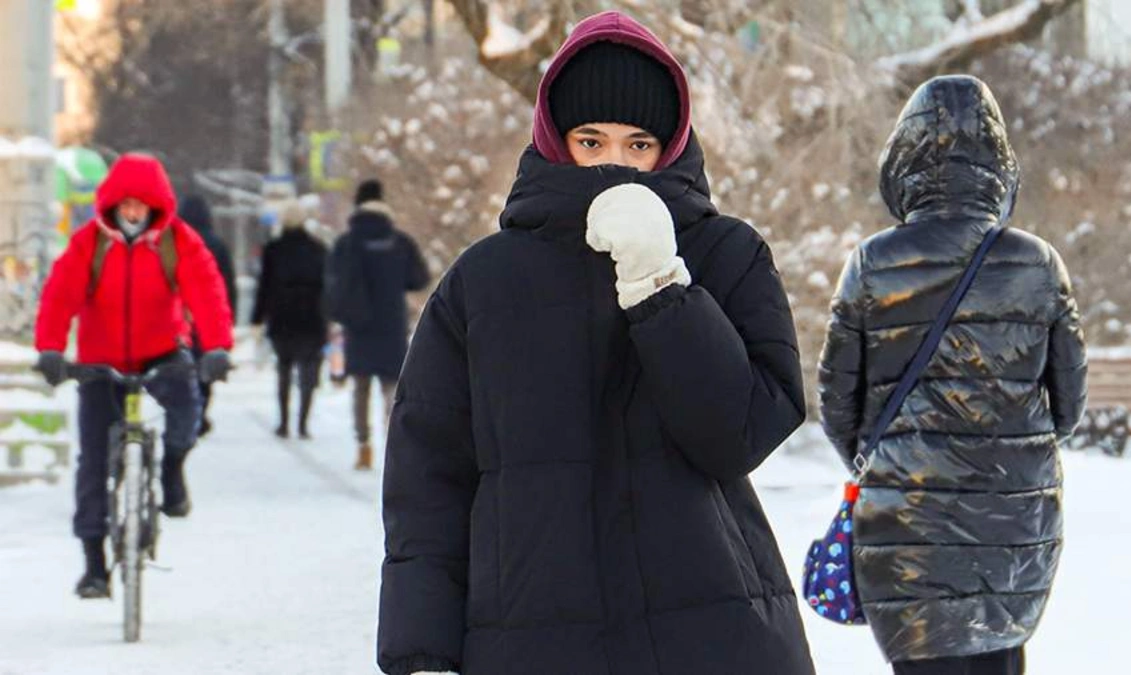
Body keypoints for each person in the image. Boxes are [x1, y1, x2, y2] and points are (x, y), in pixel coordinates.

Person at [377, 12, 815, 675]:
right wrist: (421, 650)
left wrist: (664, 290)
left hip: (711, 634)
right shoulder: (484, 281)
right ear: (558, 141)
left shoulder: (726, 256)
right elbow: (429, 478)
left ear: (669, 147)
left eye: (638, 144)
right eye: (592, 140)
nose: (615, 165)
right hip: (531, 638)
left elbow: (741, 432)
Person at [817, 75, 1088, 675]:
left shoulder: (871, 263)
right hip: (1014, 523)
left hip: (906, 523)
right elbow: (1068, 407)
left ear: (903, 162)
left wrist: (891, 462)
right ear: (999, 166)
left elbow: (838, 406)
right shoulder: (1038, 264)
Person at [34, 153, 234, 599]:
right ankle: (93, 565)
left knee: (187, 410)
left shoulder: (176, 241)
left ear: (155, 206)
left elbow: (206, 291)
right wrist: (50, 348)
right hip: (99, 361)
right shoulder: (90, 244)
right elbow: (60, 294)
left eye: (140, 205)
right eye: (124, 204)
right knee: (93, 462)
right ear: (110, 204)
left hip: (160, 352)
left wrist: (216, 346)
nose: (132, 213)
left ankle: (171, 468)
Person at [326, 179, 429, 470]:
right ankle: (393, 447)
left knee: (360, 388)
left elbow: (333, 284)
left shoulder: (347, 243)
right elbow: (419, 278)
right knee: (392, 389)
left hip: (358, 326)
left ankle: (363, 445)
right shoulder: (399, 241)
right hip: (391, 324)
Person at [251, 200, 329, 439]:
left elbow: (264, 286)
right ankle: (303, 424)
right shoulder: (319, 249)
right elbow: (327, 288)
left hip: (281, 318)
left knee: (283, 369)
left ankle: (284, 422)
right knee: (308, 372)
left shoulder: (273, 249)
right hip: (312, 319)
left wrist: (258, 318)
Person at [178, 194, 238, 436]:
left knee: (183, 364)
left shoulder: (174, 242)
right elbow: (226, 283)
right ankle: (200, 410)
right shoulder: (216, 243)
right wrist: (228, 315)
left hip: (181, 316)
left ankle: (188, 411)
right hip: (208, 315)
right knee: (206, 366)